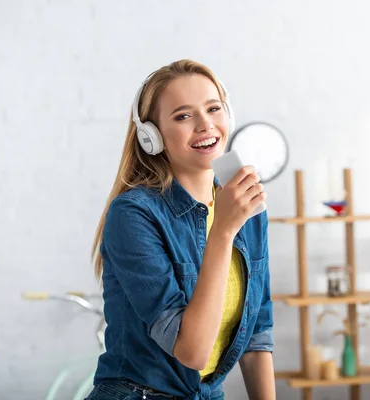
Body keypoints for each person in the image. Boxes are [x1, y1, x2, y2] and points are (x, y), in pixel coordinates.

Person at [87, 59, 275, 400]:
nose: (205, 125)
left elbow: (257, 334)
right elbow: (192, 352)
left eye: (213, 108)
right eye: (183, 116)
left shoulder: (245, 207)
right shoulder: (133, 215)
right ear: (152, 137)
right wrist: (222, 231)